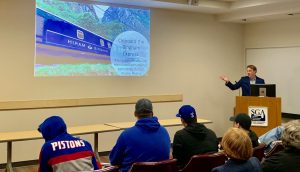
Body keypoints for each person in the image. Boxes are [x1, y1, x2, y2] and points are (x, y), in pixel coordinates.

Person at [109, 98, 170, 172]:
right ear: (152, 113)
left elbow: (114, 161)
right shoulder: (164, 131)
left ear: (135, 113)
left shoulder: (126, 135)